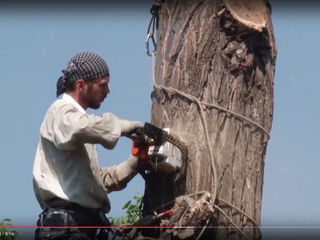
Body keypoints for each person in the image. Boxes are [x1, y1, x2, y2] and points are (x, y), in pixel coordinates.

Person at [33, 51, 144, 240]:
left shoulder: (74, 126)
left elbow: (91, 183)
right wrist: (128, 127)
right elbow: (82, 127)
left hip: (81, 229)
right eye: (103, 85)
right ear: (81, 85)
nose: (108, 91)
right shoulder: (60, 112)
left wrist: (135, 162)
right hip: (67, 230)